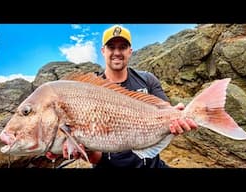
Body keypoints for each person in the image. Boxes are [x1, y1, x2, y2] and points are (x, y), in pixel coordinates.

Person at [78, 25, 198, 168]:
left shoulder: (147, 80)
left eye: (122, 47)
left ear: (130, 51)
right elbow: (96, 157)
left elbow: (167, 111)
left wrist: (178, 116)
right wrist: (85, 152)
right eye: (111, 47)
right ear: (103, 51)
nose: (117, 52)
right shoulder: (90, 90)